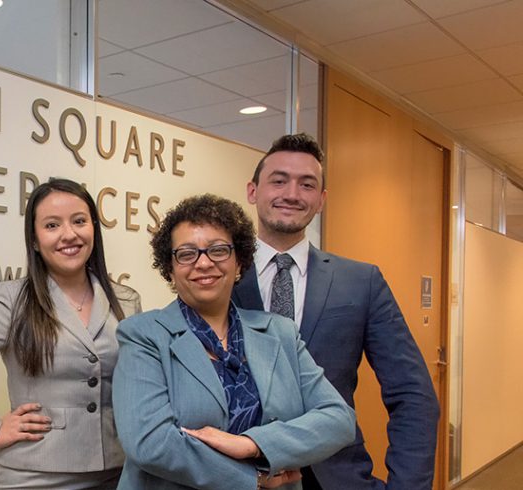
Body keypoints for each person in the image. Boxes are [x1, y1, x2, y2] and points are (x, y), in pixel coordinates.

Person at [233, 133, 440, 489]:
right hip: (243, 476)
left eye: (307, 184)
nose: (292, 194)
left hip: (338, 478)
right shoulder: (221, 278)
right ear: (253, 191)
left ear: (322, 200)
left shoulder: (361, 281)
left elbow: (413, 395)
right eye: (279, 180)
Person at [113, 194, 355, 490]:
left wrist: (253, 445)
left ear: (239, 261)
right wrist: (250, 480)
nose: (203, 263)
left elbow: (338, 420)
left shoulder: (281, 334)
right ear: (171, 269)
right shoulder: (143, 335)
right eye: (187, 254)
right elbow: (150, 442)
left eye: (218, 250)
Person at [0, 178, 142, 489]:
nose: (69, 234)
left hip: (116, 472)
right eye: (52, 225)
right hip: (33, 476)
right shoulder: (13, 300)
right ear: (35, 240)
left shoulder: (126, 301)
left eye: (79, 221)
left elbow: (139, 383)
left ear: (94, 229)